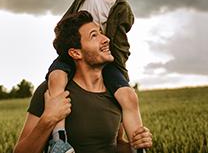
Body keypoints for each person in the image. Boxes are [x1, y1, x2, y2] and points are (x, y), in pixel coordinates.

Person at [47, 0, 144, 153]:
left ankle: (137, 145)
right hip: (75, 46)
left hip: (105, 59)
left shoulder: (123, 11)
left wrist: (120, 78)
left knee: (128, 97)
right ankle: (59, 141)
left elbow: (120, 48)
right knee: (56, 78)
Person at [14, 11, 152, 153]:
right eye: (94, 35)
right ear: (76, 53)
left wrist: (135, 143)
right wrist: (48, 118)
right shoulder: (49, 92)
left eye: (101, 32)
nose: (106, 39)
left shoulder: (117, 94)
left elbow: (116, 145)